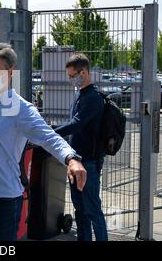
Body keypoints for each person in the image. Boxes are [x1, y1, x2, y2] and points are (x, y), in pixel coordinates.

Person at [0, 43, 87, 241]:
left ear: (10, 73)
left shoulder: (21, 109)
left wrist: (71, 158)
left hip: (3, 201)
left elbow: (48, 137)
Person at [54, 53, 108, 241]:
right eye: (69, 76)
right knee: (80, 210)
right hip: (76, 161)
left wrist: (52, 132)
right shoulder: (80, 95)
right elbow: (74, 123)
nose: (71, 80)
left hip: (89, 163)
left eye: (72, 76)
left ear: (83, 72)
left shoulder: (92, 98)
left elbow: (77, 123)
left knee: (93, 210)